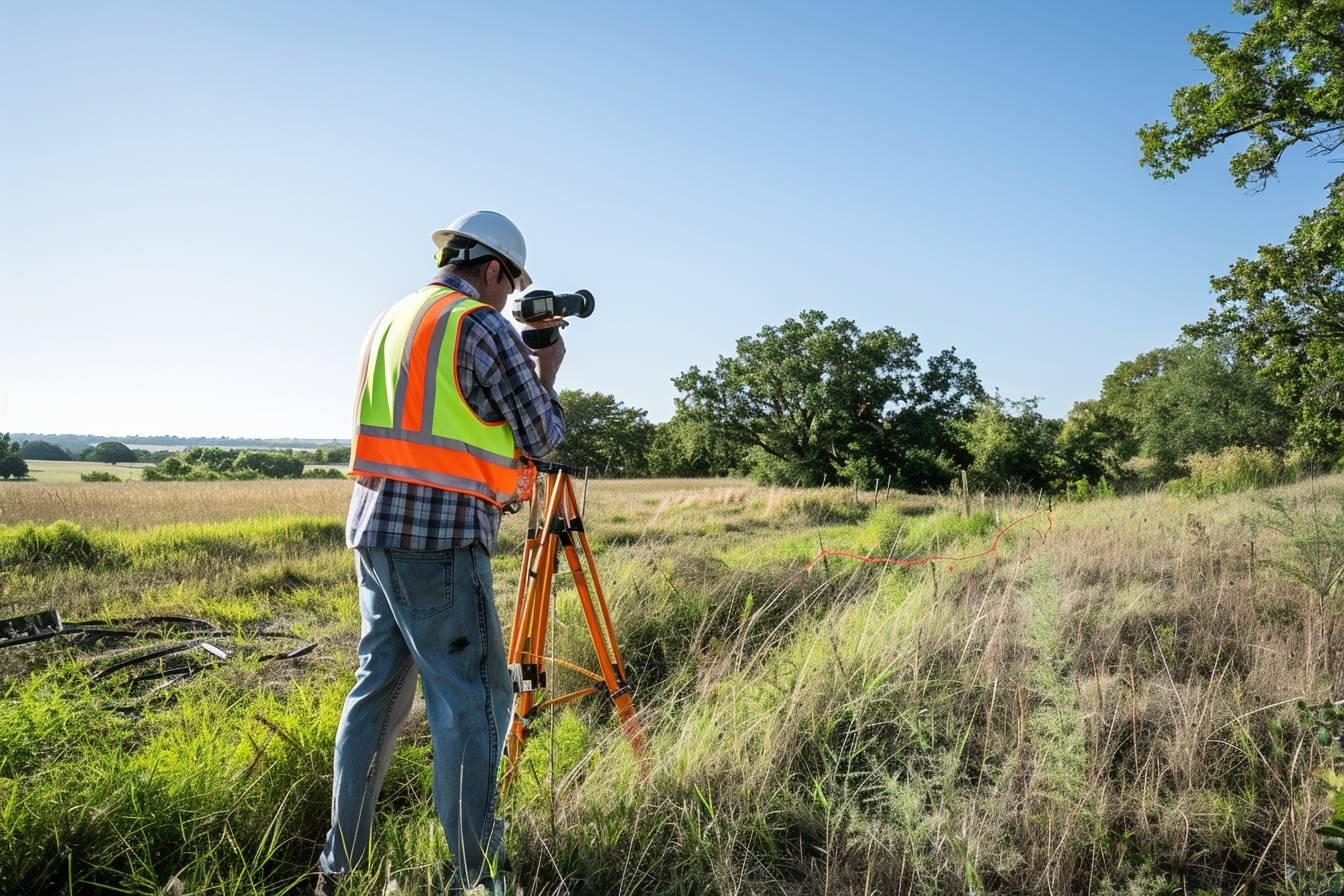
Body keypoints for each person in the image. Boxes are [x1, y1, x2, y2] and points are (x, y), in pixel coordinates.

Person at [317, 210, 566, 894]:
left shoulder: (395, 317)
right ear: (492, 269)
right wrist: (546, 366)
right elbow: (542, 436)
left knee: (377, 695)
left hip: (375, 529)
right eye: (510, 286)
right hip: (439, 537)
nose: (508, 300)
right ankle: (477, 878)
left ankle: (339, 868)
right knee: (474, 703)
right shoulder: (476, 323)